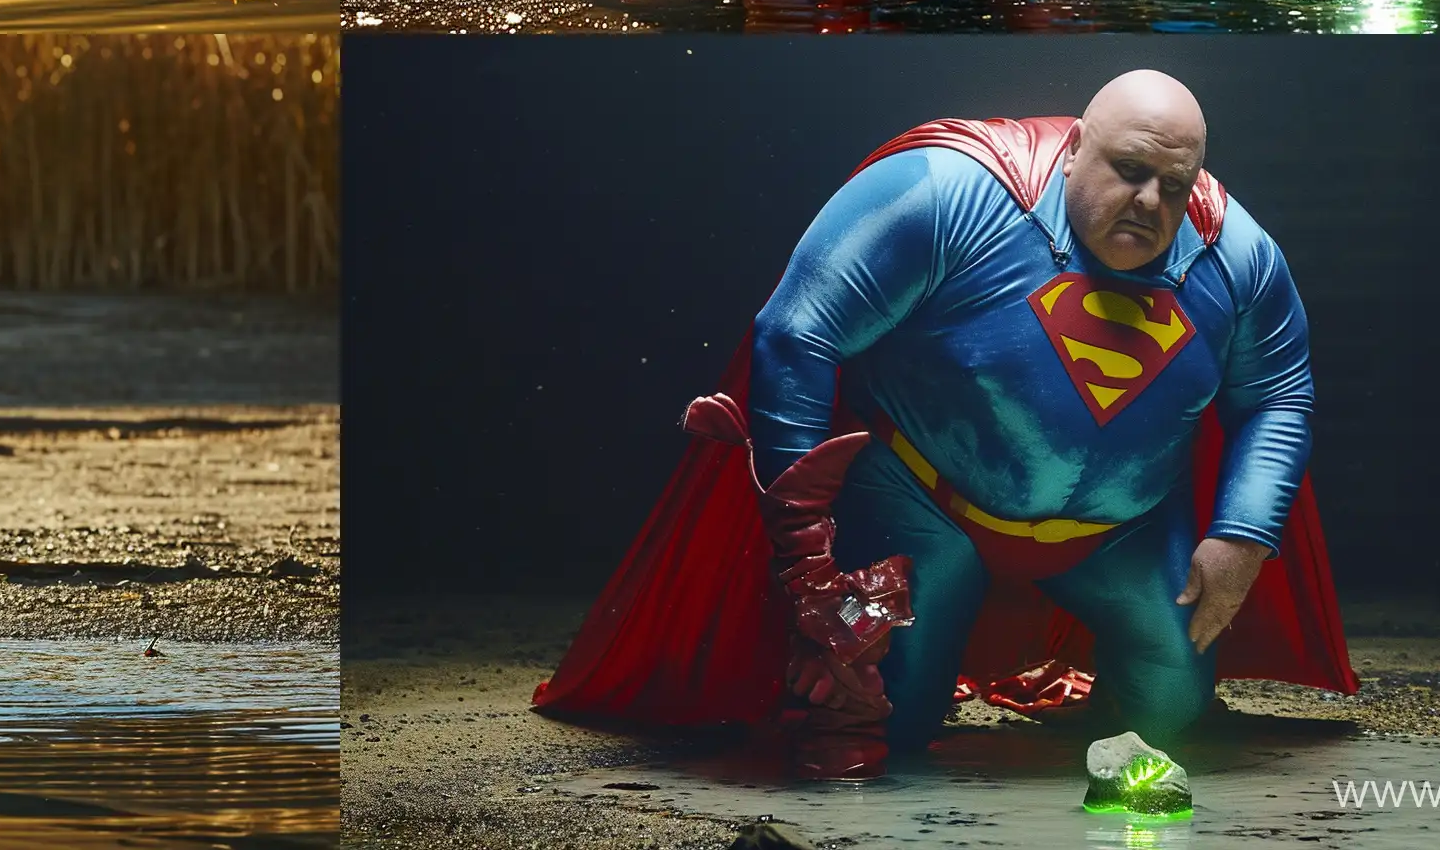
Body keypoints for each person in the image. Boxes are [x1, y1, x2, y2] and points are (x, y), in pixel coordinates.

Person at [533, 73, 1354, 779]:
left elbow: (1279, 393)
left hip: (1121, 532)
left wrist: (1244, 534)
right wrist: (806, 556)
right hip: (924, 504)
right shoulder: (953, 191)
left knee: (1170, 710)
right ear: (1073, 149)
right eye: (1129, 171)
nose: (1151, 202)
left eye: (1175, 187)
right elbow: (795, 331)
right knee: (886, 724)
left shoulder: (1236, 255)